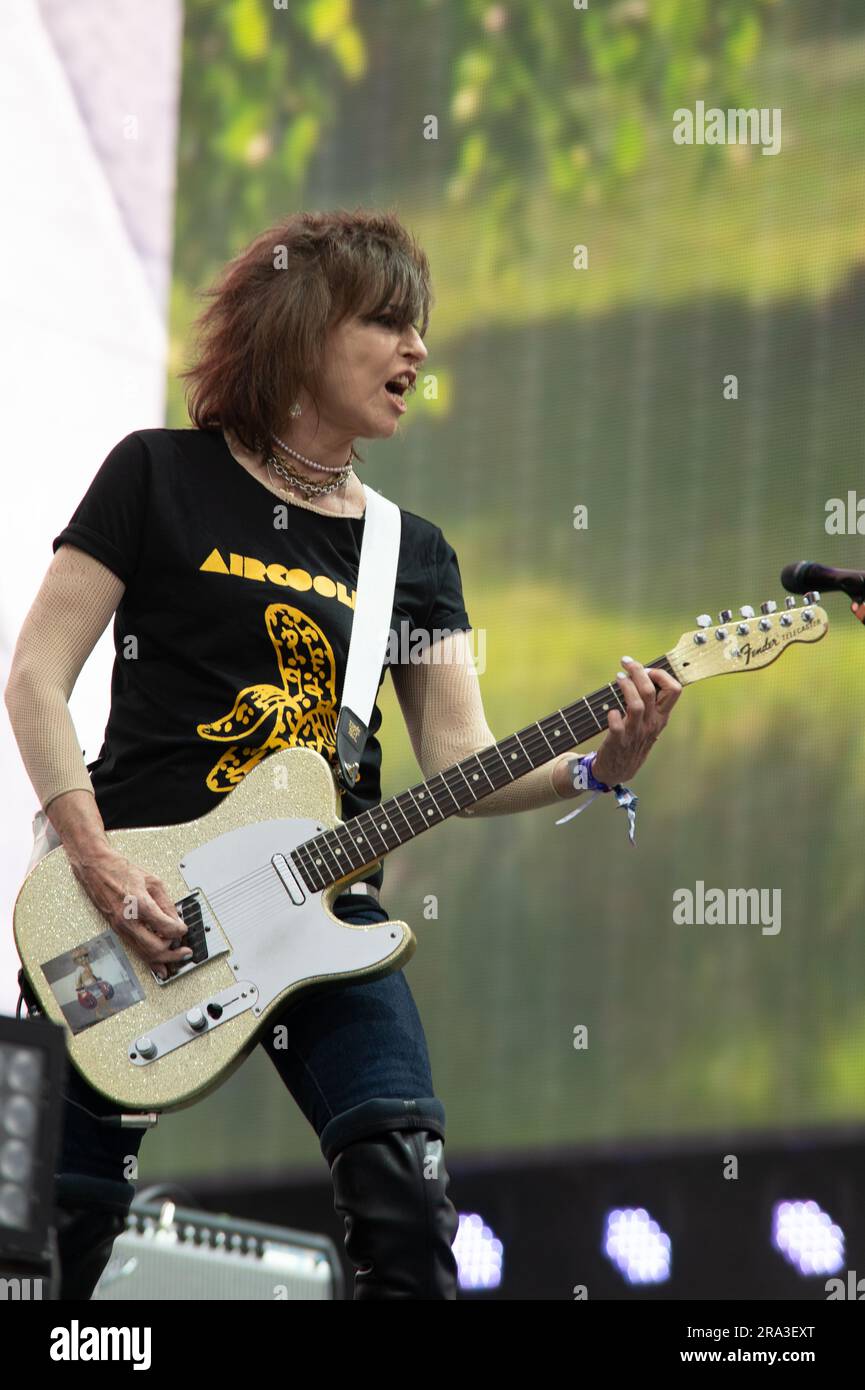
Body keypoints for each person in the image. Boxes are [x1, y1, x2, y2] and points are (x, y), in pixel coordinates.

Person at [5, 208, 682, 1301]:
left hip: (323, 914)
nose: (416, 350)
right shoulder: (155, 475)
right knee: (50, 1235)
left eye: (420, 328)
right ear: (303, 327)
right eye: (386, 322)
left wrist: (597, 766)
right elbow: (35, 676)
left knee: (407, 1198)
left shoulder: (412, 553)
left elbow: (461, 758)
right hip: (124, 902)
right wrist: (91, 856)